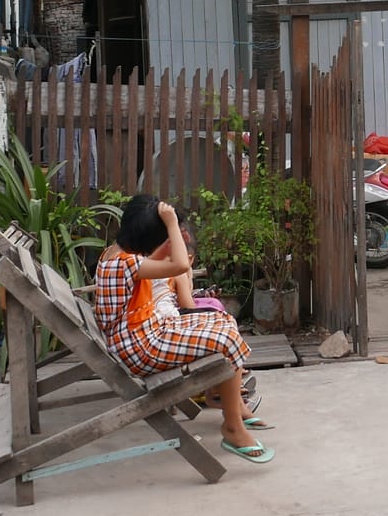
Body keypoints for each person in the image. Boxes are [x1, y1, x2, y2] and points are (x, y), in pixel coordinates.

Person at [92, 194, 272, 463]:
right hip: (142, 347)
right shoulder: (125, 263)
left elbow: (158, 267)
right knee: (227, 339)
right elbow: (179, 265)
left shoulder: (114, 255)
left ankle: (231, 406)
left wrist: (167, 235)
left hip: (143, 334)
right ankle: (233, 426)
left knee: (224, 321)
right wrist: (172, 223)